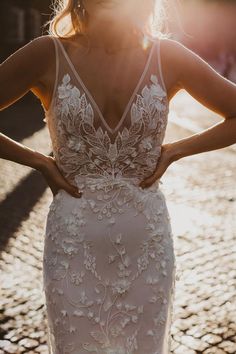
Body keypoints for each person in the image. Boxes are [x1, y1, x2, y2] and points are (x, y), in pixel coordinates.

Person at [0, 0, 236, 353]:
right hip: (74, 242)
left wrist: (177, 150)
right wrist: (39, 161)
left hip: (146, 241)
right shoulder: (47, 53)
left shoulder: (168, 55)